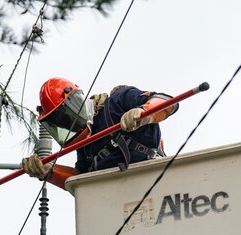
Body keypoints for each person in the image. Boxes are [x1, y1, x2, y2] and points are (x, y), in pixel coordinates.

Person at [22, 77, 178, 189]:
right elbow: (81, 184)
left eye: (67, 119)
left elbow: (168, 102)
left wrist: (144, 113)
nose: (70, 128)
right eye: (62, 125)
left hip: (154, 176)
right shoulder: (85, 149)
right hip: (119, 196)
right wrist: (49, 172)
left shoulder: (117, 102)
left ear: (75, 104)